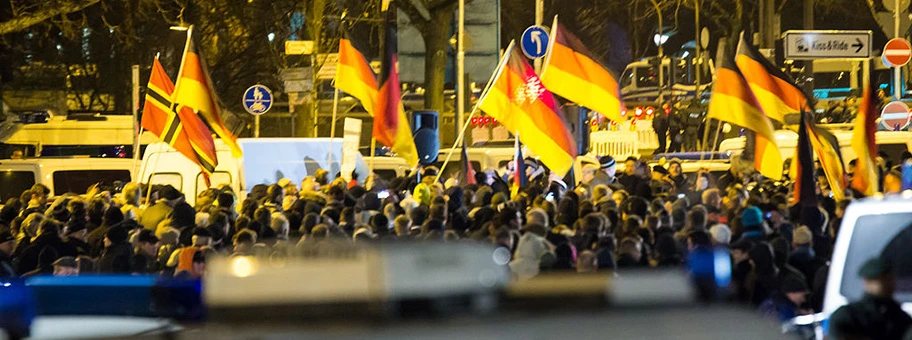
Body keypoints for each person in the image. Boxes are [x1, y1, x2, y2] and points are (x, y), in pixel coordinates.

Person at [829, 257, 912, 340]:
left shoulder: (901, 318)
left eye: (890, 279)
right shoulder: (848, 316)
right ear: (867, 282)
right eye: (883, 280)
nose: (889, 284)